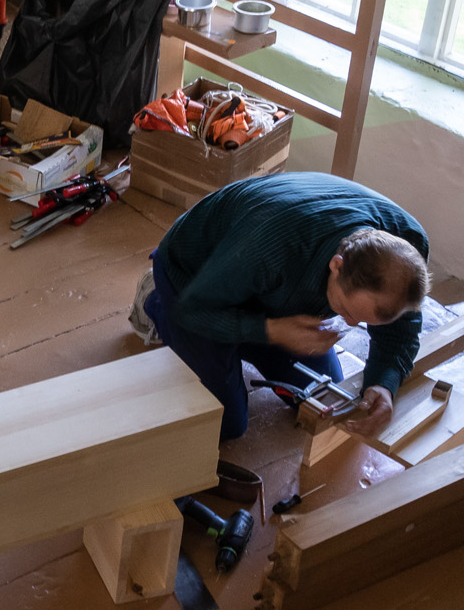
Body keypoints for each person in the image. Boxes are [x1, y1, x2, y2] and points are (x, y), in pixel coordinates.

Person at [141, 172, 430, 442]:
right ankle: (157, 301)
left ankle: (243, 336)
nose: (352, 325)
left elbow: (401, 330)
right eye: (347, 311)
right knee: (226, 424)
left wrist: (383, 382)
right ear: (337, 265)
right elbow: (192, 310)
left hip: (268, 280)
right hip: (194, 280)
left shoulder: (407, 251)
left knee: (322, 398)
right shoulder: (270, 245)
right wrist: (273, 331)